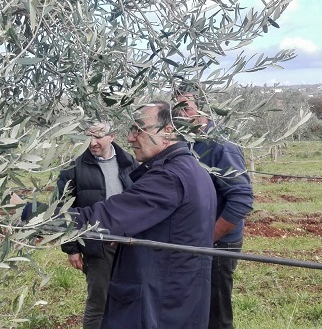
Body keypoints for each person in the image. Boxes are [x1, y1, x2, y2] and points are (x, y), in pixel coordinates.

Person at [69, 101, 217, 329]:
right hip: (179, 297)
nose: (130, 138)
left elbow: (105, 218)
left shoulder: (168, 178)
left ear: (168, 131)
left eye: (139, 129)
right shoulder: (192, 170)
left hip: (159, 304)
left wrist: (36, 217)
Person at [176, 92, 255, 329]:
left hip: (219, 244)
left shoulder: (221, 146)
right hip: (197, 240)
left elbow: (241, 200)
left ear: (204, 107)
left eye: (187, 107)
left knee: (217, 314)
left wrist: (208, 238)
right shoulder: (186, 142)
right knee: (197, 308)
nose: (182, 114)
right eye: (178, 108)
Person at [57, 121, 139, 329]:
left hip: (127, 243)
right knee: (98, 302)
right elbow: (60, 209)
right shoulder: (73, 167)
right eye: (88, 137)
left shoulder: (129, 162)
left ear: (111, 136)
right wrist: (71, 248)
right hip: (96, 244)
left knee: (129, 297)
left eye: (98, 136)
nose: (92, 142)